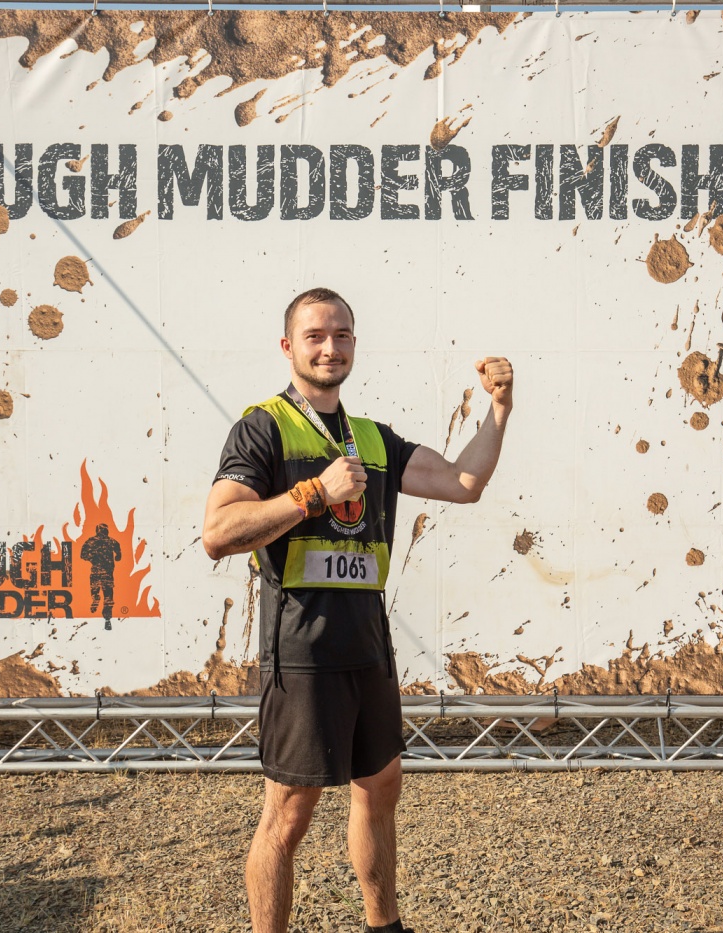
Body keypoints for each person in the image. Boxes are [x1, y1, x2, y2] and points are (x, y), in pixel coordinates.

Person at [203, 287, 513, 933]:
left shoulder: (371, 438)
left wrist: (499, 410)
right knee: (288, 814)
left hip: (369, 648)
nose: (330, 347)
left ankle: (384, 925)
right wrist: (314, 493)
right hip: (302, 652)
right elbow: (218, 532)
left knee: (380, 788)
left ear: (354, 344)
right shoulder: (263, 427)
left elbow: (463, 482)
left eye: (341, 334)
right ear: (288, 346)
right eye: (315, 335)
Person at [79, 523, 121, 628]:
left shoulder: (91, 541)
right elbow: (118, 549)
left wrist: (92, 558)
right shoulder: (110, 541)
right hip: (107, 572)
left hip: (96, 571)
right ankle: (107, 618)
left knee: (95, 588)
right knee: (108, 595)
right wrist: (118, 556)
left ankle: (96, 599)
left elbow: (83, 554)